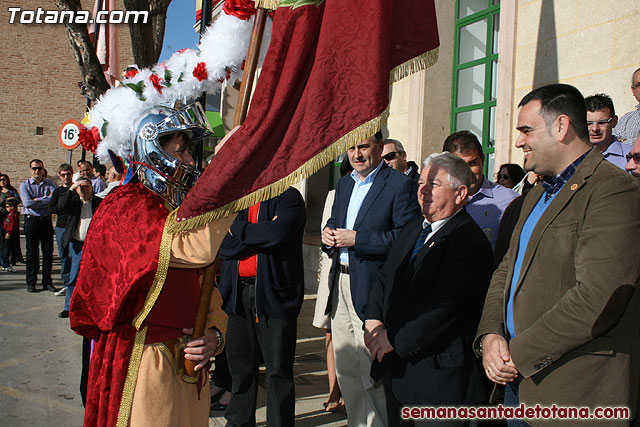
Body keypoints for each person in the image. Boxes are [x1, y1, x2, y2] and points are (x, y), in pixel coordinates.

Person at [475, 84, 640, 426]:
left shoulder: (613, 190)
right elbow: (505, 271)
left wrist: (515, 354)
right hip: (517, 386)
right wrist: (490, 335)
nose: (519, 141)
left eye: (526, 130)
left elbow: (598, 297)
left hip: (574, 395)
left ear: (561, 127)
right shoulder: (534, 196)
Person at [70, 104, 231, 427]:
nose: (188, 160)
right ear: (153, 148)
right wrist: (228, 177)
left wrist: (215, 334)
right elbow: (195, 250)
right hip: (144, 364)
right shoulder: (126, 205)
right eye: (181, 150)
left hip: (188, 367)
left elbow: (206, 286)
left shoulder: (177, 209)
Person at [364, 152, 492, 426]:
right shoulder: (414, 228)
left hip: (437, 381)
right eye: (421, 182)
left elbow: (442, 308)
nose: (422, 190)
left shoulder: (467, 240)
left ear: (460, 193)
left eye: (433, 184)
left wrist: (392, 339)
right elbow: (385, 276)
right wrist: (373, 321)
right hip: (397, 372)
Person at [321, 131, 421, 426]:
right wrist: (329, 234)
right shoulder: (344, 183)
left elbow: (405, 238)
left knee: (371, 369)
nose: (356, 154)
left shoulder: (399, 185)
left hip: (371, 287)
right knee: (347, 368)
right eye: (351, 148)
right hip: (339, 284)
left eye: (363, 147)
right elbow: (335, 223)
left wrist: (358, 240)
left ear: (379, 147)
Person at [218, 187, 306, 427]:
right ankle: (238, 421)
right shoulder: (237, 199)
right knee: (240, 367)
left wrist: (236, 229)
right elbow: (222, 245)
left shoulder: (289, 198)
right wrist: (260, 237)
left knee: (278, 371)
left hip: (274, 297)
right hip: (237, 294)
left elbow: (277, 233)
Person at [313, 160, 353, 414]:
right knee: (331, 333)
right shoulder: (334, 194)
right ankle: (333, 391)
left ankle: (349, 393)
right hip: (332, 270)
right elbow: (326, 232)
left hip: (356, 274)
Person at [443, 131, 518, 248]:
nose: (467, 172)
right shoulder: (435, 199)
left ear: (482, 159)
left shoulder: (510, 201)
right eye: (460, 166)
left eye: (472, 163)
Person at [55, 177, 101, 319]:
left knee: (93, 278)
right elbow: (60, 206)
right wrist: (71, 189)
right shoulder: (74, 202)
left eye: (87, 187)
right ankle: (68, 307)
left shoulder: (99, 202)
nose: (84, 190)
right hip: (77, 245)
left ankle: (91, 308)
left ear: (92, 187)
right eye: (81, 188)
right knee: (73, 277)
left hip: (93, 246)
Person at [19, 159, 58, 293]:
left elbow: (54, 199)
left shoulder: (50, 184)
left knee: (48, 253)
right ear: (30, 170)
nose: (37, 171)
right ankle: (31, 282)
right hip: (32, 221)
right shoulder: (24, 185)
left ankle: (47, 282)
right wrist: (44, 199)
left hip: (46, 220)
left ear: (43, 169)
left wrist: (37, 200)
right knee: (32, 253)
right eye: (34, 168)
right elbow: (27, 203)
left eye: (39, 168)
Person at [585, 93, 630, 169]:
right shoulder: (573, 157)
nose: (595, 129)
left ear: (614, 122)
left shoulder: (631, 156)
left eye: (602, 122)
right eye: (589, 123)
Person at [48, 164, 74, 297]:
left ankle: (74, 284)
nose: (66, 177)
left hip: (74, 227)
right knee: (63, 256)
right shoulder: (57, 192)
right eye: (63, 175)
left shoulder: (76, 188)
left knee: (73, 256)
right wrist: (64, 207)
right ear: (60, 176)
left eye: (68, 174)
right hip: (61, 227)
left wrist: (63, 206)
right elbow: (52, 209)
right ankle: (66, 283)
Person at [0, 174, 24, 265]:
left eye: (4, 179)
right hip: (2, 215)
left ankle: (16, 257)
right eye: (0, 180)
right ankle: (5, 257)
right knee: (3, 239)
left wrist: (11, 200)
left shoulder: (11, 190)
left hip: (11, 215)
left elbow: (17, 200)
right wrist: (6, 202)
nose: (2, 181)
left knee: (14, 238)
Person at [613, 67, 640, 143]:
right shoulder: (625, 120)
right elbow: (615, 145)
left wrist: (625, 142)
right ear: (633, 90)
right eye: (639, 85)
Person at [3, 199, 20, 271]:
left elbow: (11, 224)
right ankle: (13, 259)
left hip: (11, 232)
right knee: (11, 247)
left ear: (12, 207)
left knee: (8, 247)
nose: (6, 208)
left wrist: (8, 232)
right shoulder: (10, 214)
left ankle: (10, 260)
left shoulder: (13, 214)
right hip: (9, 231)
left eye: (7, 207)